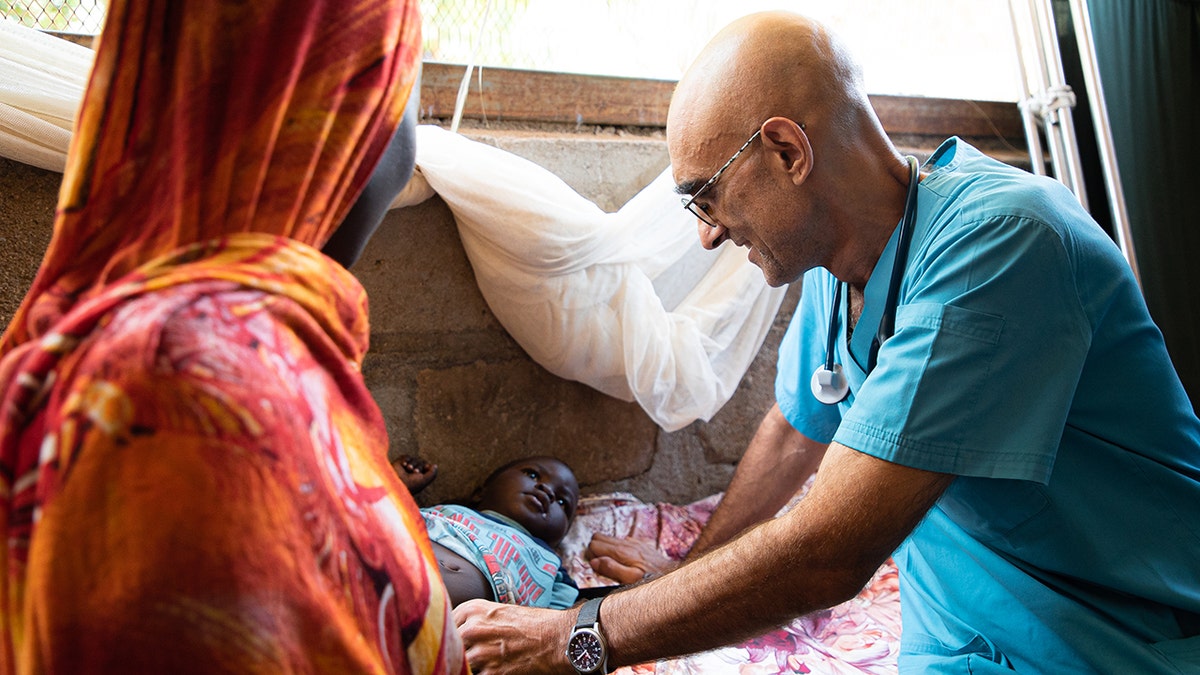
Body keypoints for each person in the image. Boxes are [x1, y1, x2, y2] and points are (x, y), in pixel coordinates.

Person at [453, 10, 1200, 674]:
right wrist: (683, 572)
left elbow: (827, 552)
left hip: (1108, 636)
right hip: (960, 638)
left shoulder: (1000, 248)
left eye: (706, 197)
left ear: (786, 151)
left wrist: (577, 636)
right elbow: (794, 429)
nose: (709, 233)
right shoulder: (837, 265)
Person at [0, 1, 468, 673]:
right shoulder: (191, 392)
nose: (405, 150)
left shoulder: (144, 336)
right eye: (400, 91)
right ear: (321, 112)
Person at [396, 455, 581, 609]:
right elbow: (384, 516)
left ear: (559, 539)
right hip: (390, 563)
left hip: (449, 624)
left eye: (563, 502)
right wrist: (398, 483)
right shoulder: (447, 511)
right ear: (480, 492)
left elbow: (558, 629)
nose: (547, 490)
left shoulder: (551, 566)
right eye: (532, 474)